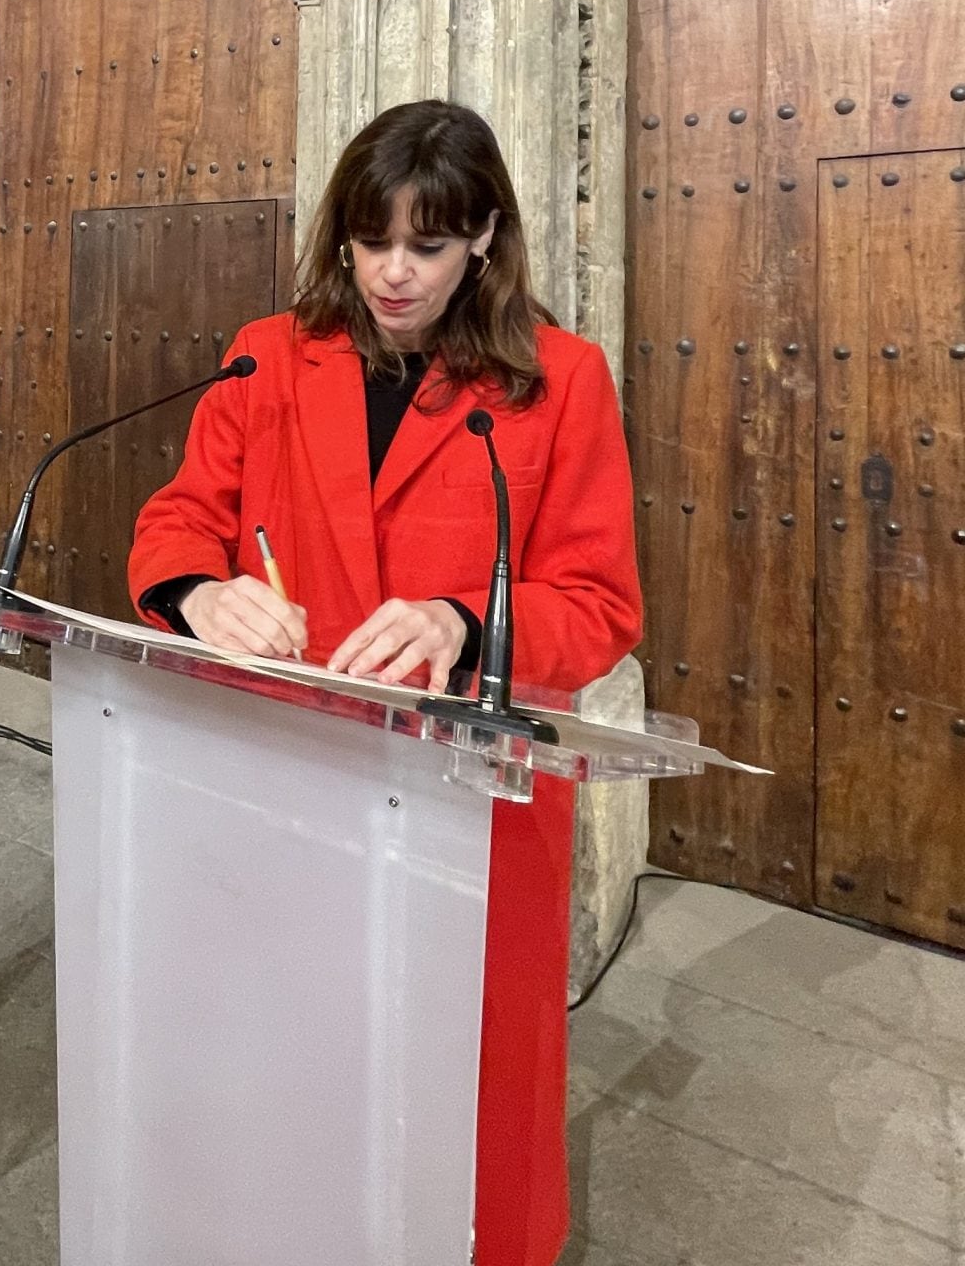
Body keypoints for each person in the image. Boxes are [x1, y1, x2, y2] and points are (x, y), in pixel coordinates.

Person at [125, 98, 640, 1262]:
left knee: (467, 1099)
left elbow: (602, 606)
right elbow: (176, 523)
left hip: (472, 801)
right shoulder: (268, 353)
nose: (392, 274)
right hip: (291, 781)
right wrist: (196, 594)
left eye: (426, 245)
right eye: (370, 242)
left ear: (485, 242)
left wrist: (466, 622)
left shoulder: (559, 379)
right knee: (296, 1069)